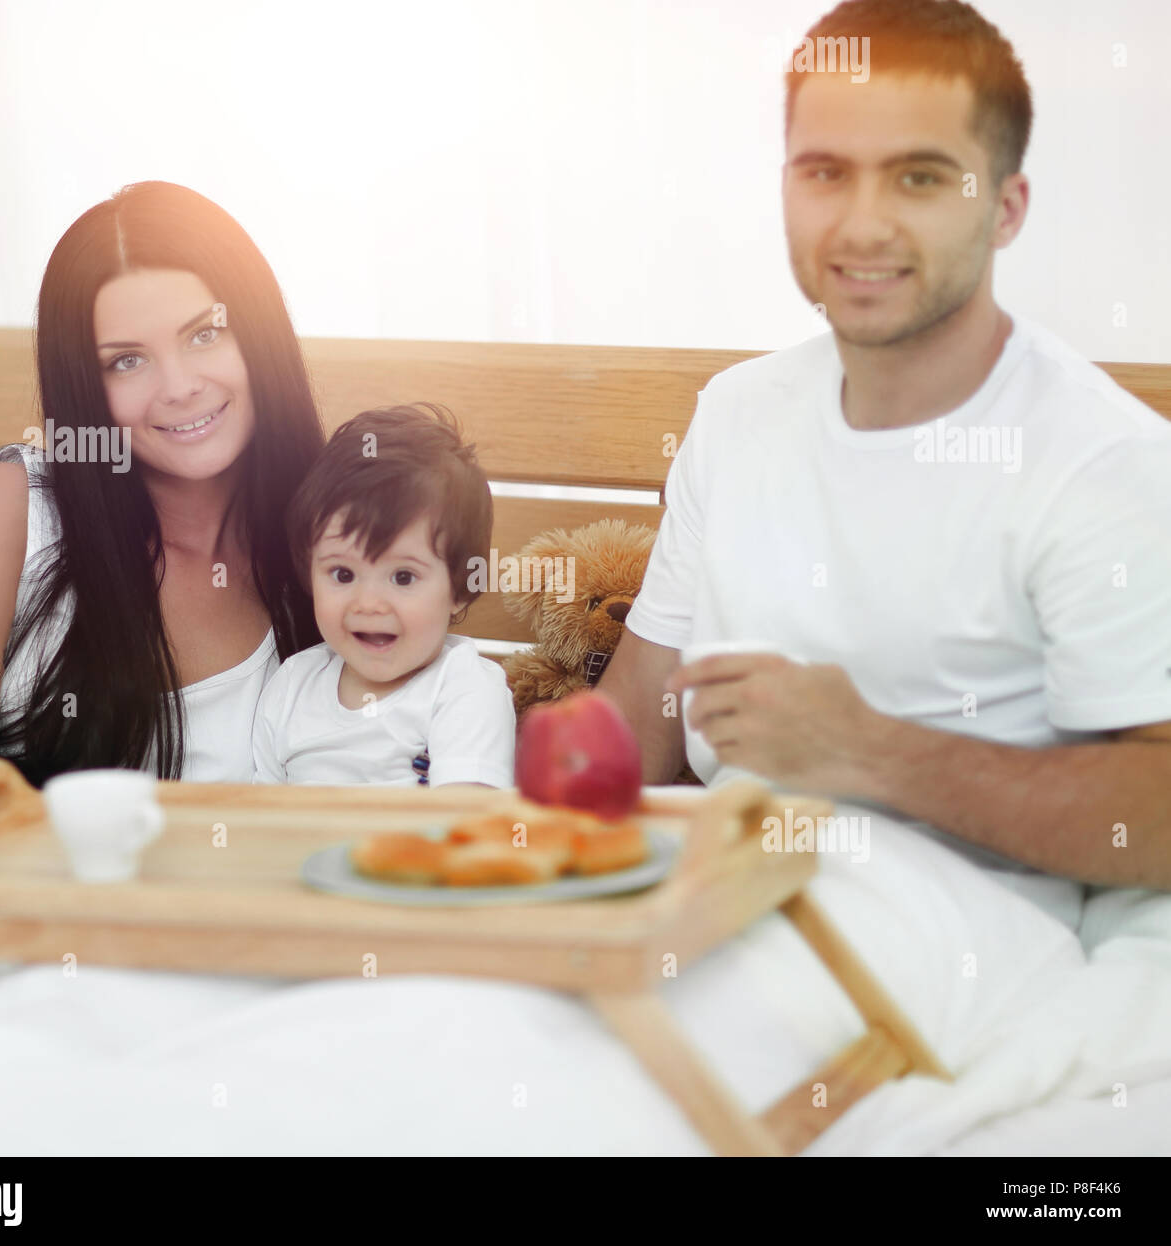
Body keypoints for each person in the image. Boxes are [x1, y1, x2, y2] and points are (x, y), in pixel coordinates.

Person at [600, 0, 1171, 901]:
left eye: (919, 178)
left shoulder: (1105, 462)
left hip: (955, 921)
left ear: (1007, 208)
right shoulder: (738, 412)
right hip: (715, 886)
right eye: (826, 172)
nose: (863, 226)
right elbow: (641, 712)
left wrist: (870, 751)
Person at [0, 181, 326, 812]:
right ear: (83, 389)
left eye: (204, 335)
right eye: (126, 361)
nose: (179, 387)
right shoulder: (0, 513)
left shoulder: (330, 533)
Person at [251, 405, 516, 788]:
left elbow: (465, 824)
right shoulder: (292, 685)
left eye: (403, 577)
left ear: (460, 588)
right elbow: (261, 820)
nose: (369, 603)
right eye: (343, 574)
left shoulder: (463, 687)